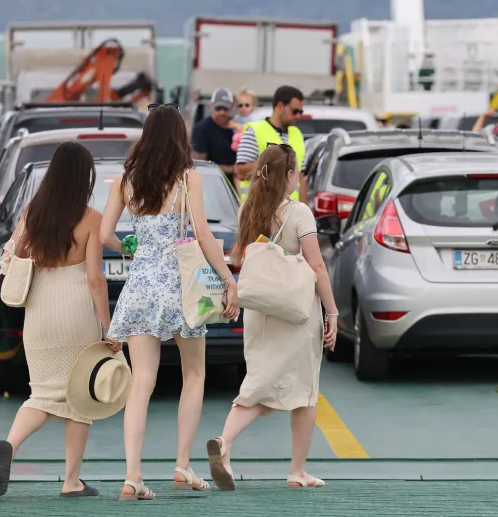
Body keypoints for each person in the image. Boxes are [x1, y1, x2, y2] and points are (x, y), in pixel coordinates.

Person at [100, 105, 240, 501]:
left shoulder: (127, 181)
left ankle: (132, 477)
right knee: (194, 375)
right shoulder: (187, 178)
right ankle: (182, 465)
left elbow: (105, 234)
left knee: (141, 383)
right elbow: (203, 235)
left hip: (141, 285)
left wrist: (133, 247)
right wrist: (229, 280)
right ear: (180, 136)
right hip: (181, 288)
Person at [0, 142, 126, 498]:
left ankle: (10, 445)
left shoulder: (35, 210)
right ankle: (71, 481)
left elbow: (13, 253)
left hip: (40, 313)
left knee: (43, 393)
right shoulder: (91, 218)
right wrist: (108, 326)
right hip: (76, 312)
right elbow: (95, 278)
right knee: (79, 399)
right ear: (84, 178)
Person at [206, 143, 337, 491]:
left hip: (260, 312)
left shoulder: (248, 209)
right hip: (295, 312)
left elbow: (238, 258)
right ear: (290, 175)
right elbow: (318, 266)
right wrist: (333, 312)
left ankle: (225, 443)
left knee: (258, 384)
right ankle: (297, 471)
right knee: (305, 391)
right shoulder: (299, 213)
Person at [234, 85, 308, 204]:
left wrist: (306, 211)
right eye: (295, 111)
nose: (298, 116)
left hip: (292, 214)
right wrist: (273, 168)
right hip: (261, 212)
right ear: (280, 106)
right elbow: (241, 172)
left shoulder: (297, 134)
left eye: (300, 112)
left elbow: (302, 178)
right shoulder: (255, 131)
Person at [191, 88, 238, 188]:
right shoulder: (201, 129)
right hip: (211, 186)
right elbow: (199, 165)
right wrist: (231, 169)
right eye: (218, 108)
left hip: (237, 185)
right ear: (211, 106)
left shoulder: (237, 126)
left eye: (225, 108)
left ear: (231, 106)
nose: (222, 112)